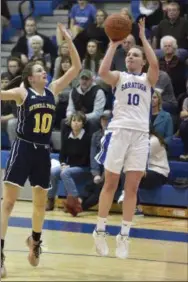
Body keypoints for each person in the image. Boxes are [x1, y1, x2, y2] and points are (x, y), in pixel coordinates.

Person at [0, 23, 81, 278]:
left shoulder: (52, 90)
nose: (44, 73)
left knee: (39, 204)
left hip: (43, 152)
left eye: (45, 71)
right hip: (23, 148)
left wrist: (69, 41)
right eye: (39, 71)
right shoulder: (21, 92)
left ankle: (34, 242)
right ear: (29, 77)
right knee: (9, 204)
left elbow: (77, 68)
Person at [92, 18, 159, 259]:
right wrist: (112, 44)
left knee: (132, 187)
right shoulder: (119, 77)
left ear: (141, 61)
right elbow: (101, 72)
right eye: (128, 55)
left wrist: (142, 39)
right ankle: (100, 230)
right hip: (119, 131)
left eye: (135, 55)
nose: (130, 57)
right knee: (110, 183)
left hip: (140, 135)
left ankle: (124, 235)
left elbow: (155, 63)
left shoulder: (147, 80)